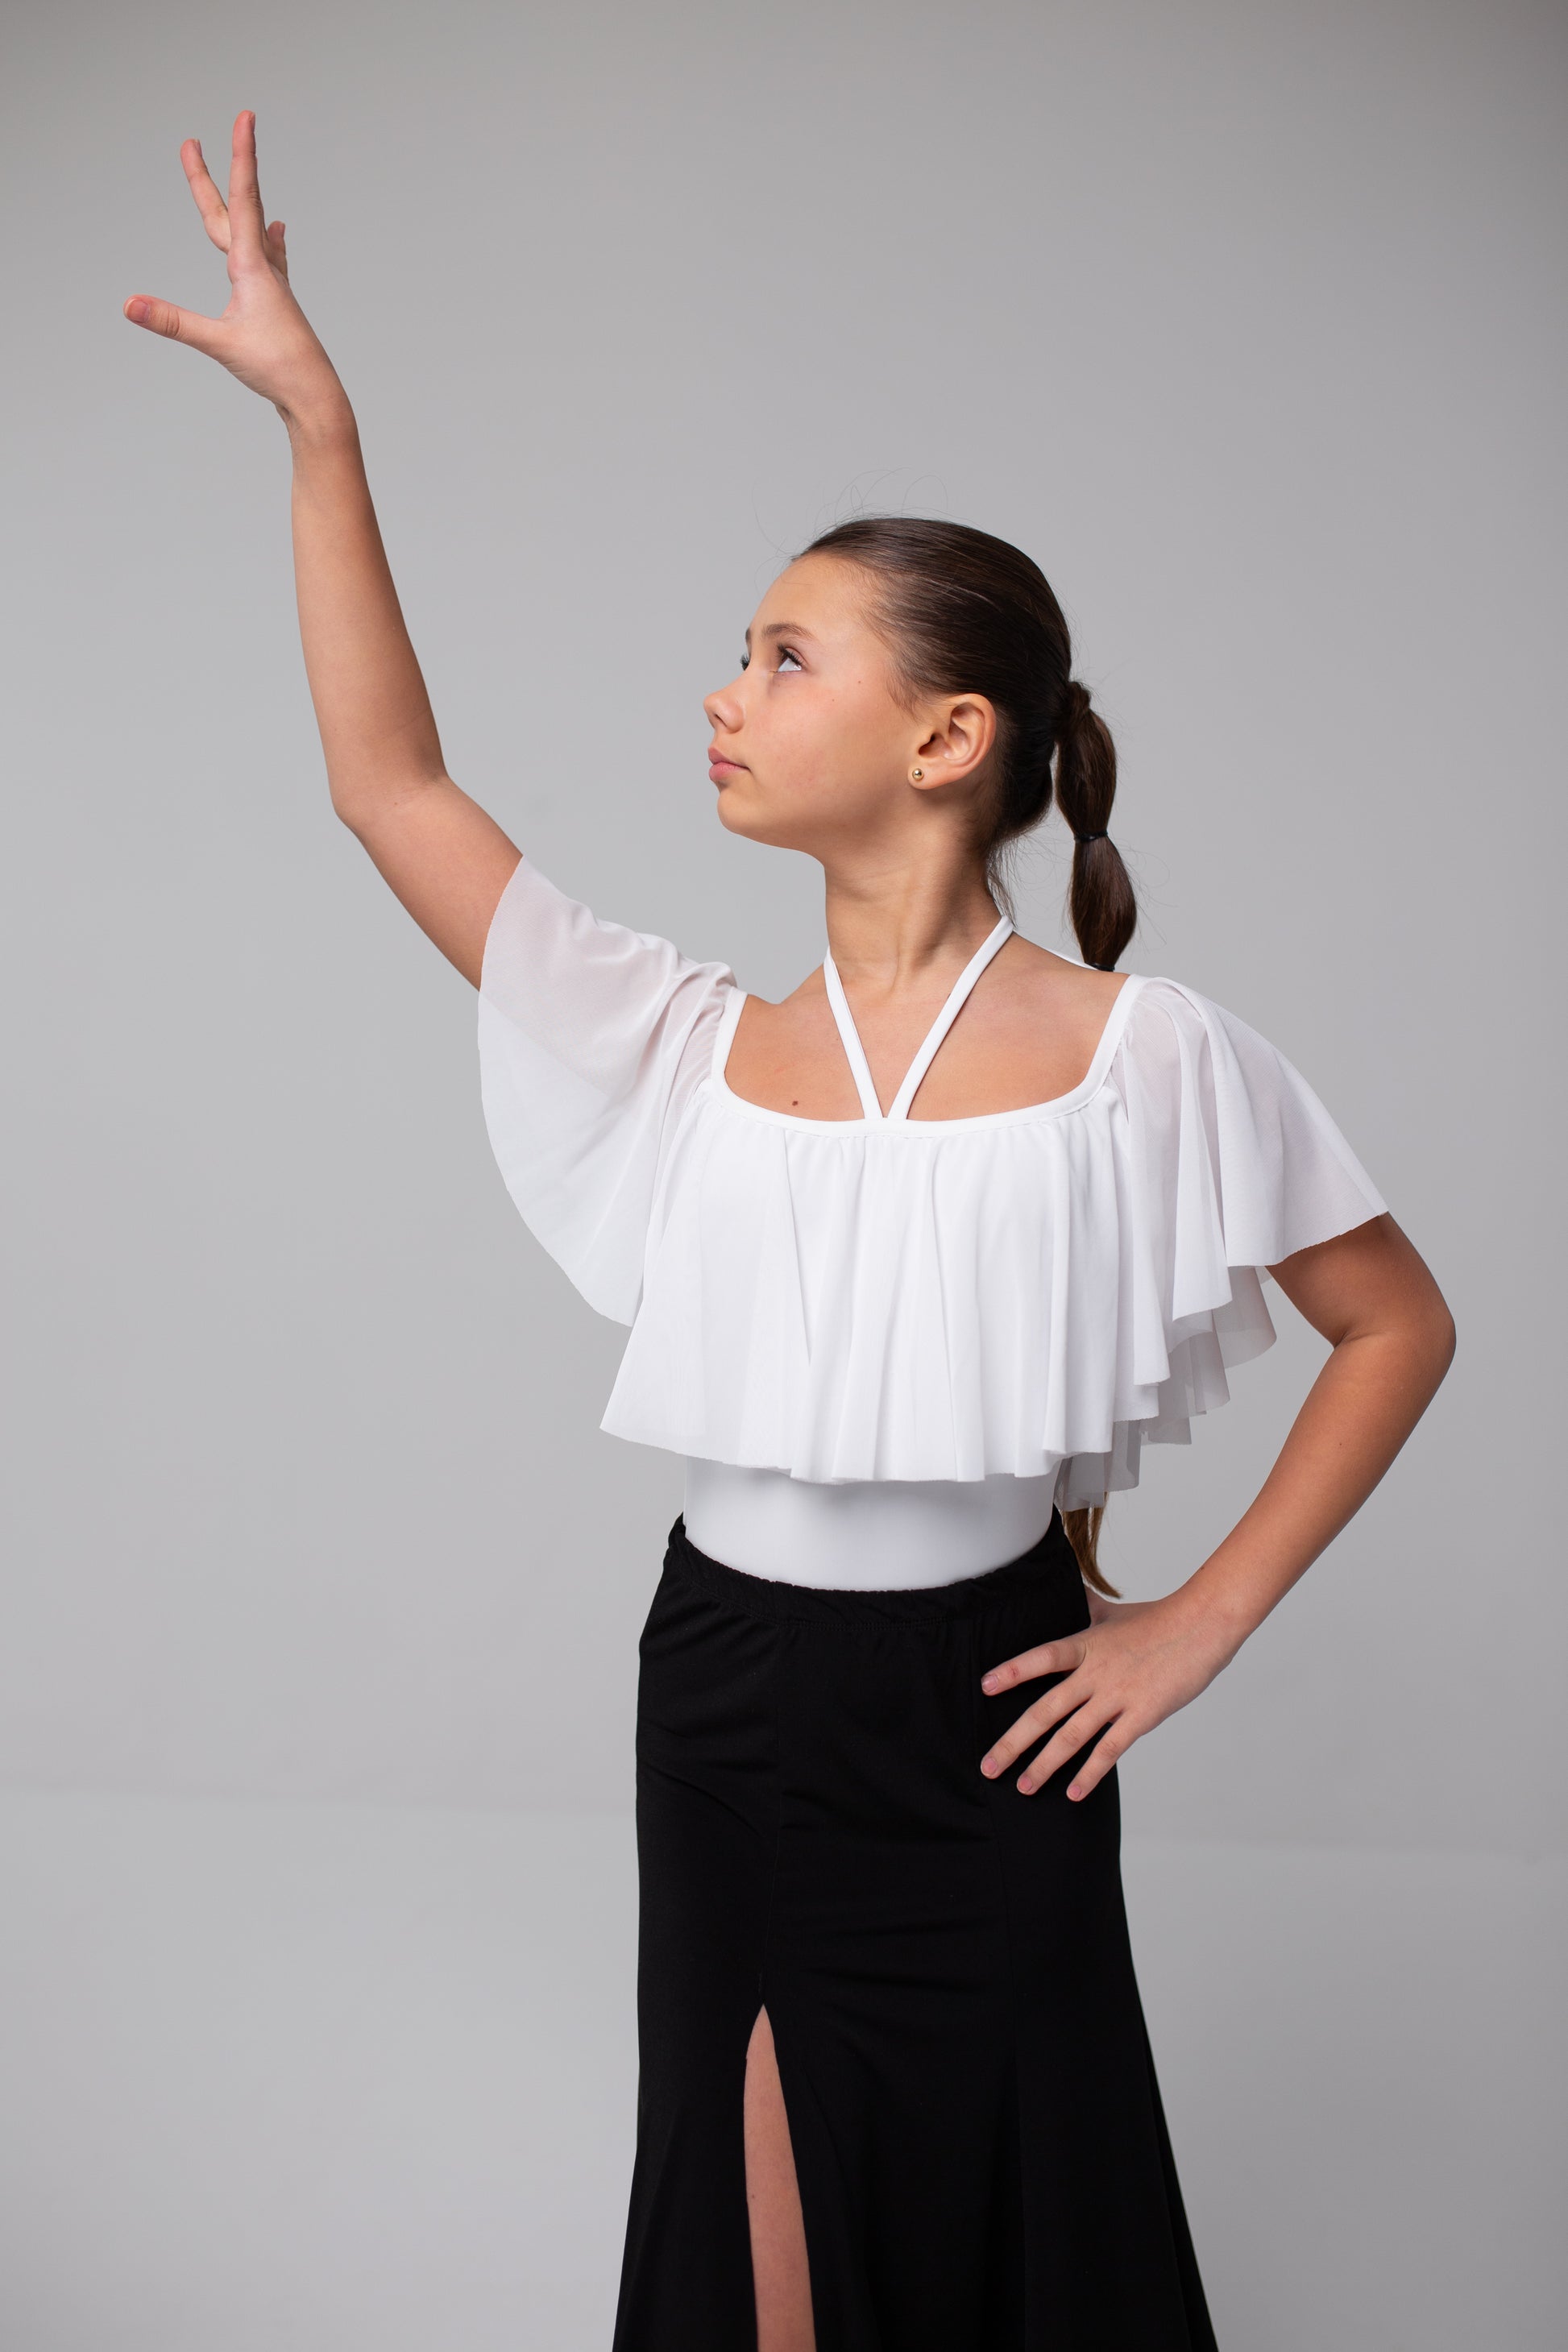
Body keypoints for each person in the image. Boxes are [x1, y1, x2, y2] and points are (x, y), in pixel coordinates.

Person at [125, 112, 1457, 2352]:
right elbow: (391, 788)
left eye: (781, 656)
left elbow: (1395, 1323)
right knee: (761, 2261)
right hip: (728, 1695)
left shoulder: (1146, 1057)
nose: (722, 694)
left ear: (947, 737)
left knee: (1006, 2215)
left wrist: (1196, 1624)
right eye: (737, 654)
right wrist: (317, 427)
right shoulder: (679, 1047)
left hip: (984, 1708)